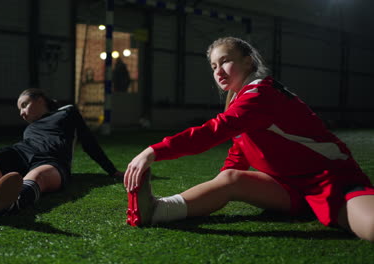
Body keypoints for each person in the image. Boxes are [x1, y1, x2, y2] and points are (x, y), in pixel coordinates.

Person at [124, 37, 374, 242]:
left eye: (225, 62)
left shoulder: (260, 93)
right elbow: (240, 151)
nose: (218, 71)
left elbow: (214, 131)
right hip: (289, 187)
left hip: (331, 179)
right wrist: (221, 187)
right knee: (231, 177)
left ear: (248, 61)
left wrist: (153, 151)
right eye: (213, 66)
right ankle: (158, 210)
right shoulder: (239, 99)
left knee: (370, 227)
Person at [0, 88, 123, 222]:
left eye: (24, 105)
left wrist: (112, 171)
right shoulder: (30, 128)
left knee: (37, 176)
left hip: (52, 160)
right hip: (19, 152)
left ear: (39, 99)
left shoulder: (67, 112)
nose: (22, 113)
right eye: (20, 111)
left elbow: (89, 142)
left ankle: (1, 203)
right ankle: (5, 193)